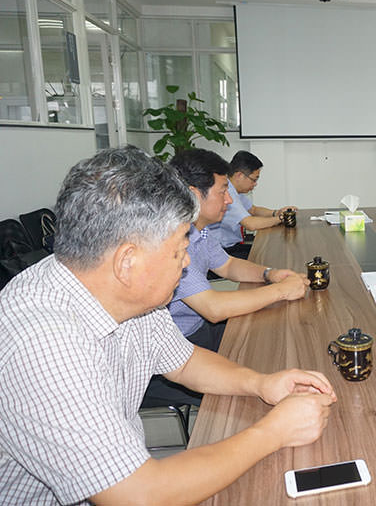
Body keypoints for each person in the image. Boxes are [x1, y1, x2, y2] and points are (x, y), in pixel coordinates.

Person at [0, 147, 336, 506]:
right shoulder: (44, 345)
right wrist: (274, 432)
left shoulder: (127, 294)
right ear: (127, 262)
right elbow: (139, 495)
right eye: (178, 250)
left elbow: (185, 362)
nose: (188, 261)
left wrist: (261, 383)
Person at [142, 149, 308, 406]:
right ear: (194, 194)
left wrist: (269, 274)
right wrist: (281, 290)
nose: (230, 200)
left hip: (198, 332)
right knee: (251, 391)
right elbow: (213, 309)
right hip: (175, 353)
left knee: (273, 338)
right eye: (222, 191)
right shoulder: (171, 242)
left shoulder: (198, 230)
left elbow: (228, 265)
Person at [208, 150, 296, 259]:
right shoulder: (228, 192)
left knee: (270, 251)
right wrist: (281, 218)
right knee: (269, 256)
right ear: (240, 175)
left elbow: (253, 210)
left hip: (231, 247)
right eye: (253, 180)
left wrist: (276, 213)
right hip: (222, 252)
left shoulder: (233, 190)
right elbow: (251, 224)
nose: (255, 184)